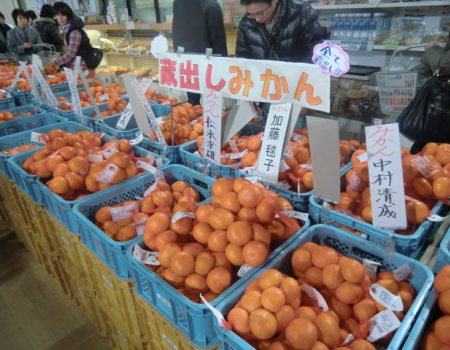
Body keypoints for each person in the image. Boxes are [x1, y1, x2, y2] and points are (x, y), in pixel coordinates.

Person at [236, 0, 327, 117]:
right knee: (262, 134)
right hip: (262, 97)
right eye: (251, 14)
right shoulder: (247, 22)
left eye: (260, 12)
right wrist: (248, 93)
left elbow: (315, 55)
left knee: (295, 134)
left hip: (294, 96)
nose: (257, 19)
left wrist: (307, 96)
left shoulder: (302, 13)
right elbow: (243, 59)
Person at [172, 0, 228, 105]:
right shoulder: (211, 6)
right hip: (209, 66)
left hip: (188, 65)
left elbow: (176, 32)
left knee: (192, 105)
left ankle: (194, 113)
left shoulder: (177, 3)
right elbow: (219, 43)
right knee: (212, 106)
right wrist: (223, 69)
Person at [50, 2, 95, 78]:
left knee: (84, 89)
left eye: (63, 15)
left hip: (82, 68)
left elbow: (71, 53)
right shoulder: (68, 29)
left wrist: (56, 61)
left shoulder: (73, 31)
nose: (60, 18)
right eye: (57, 15)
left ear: (68, 15)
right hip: (77, 67)